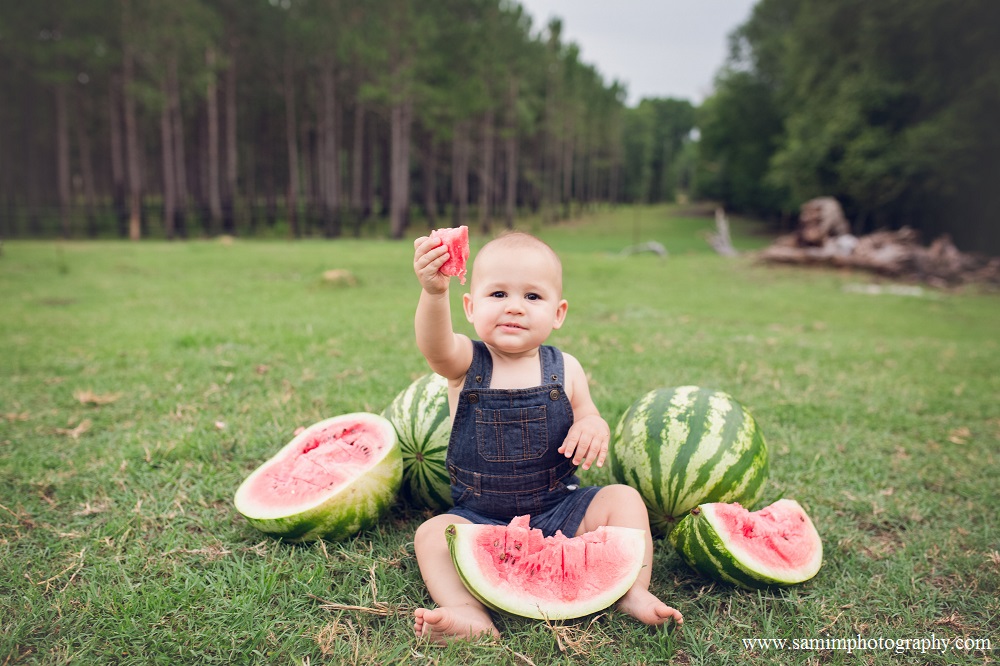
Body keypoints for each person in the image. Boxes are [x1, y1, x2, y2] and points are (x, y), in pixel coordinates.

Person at [410, 231, 683, 643]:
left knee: (624, 500)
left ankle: (633, 591)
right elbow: (435, 348)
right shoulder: (466, 361)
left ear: (559, 313)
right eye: (498, 294)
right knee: (431, 535)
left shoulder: (566, 367)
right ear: (470, 307)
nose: (515, 307)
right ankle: (467, 614)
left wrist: (593, 425)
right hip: (481, 517)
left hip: (560, 509)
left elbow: (588, 411)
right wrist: (433, 293)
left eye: (533, 297)